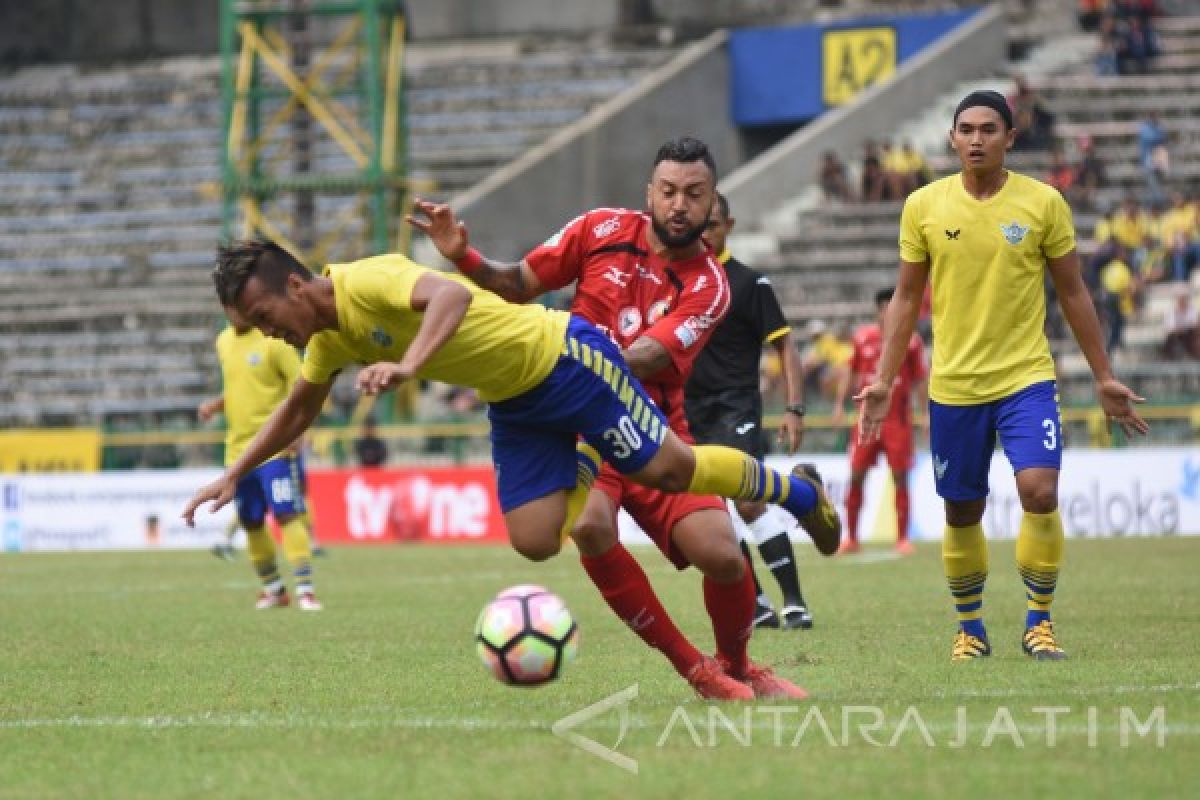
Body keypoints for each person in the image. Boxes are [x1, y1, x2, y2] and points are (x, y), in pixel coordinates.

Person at [182, 238, 840, 695]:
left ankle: (795, 492)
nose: (268, 334)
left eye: (265, 318)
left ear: (296, 285)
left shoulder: (368, 279)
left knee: (671, 469)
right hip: (516, 406)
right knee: (533, 541)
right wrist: (235, 472)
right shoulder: (325, 339)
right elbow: (299, 407)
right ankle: (592, 468)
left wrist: (409, 366)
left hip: (564, 360)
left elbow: (451, 300)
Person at [408, 137, 836, 699]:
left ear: (712, 205)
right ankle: (697, 671)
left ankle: (737, 664)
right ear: (649, 194)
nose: (679, 204)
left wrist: (569, 360)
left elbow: (648, 358)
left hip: (652, 422)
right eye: (668, 192)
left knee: (723, 557)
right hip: (581, 418)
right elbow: (517, 285)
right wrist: (462, 255)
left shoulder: (710, 285)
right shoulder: (600, 230)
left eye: (694, 194)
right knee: (586, 527)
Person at [855, 90, 1148, 662]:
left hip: (1025, 379)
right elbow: (907, 295)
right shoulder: (923, 206)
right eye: (966, 129)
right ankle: (970, 629)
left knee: (1039, 492)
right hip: (955, 387)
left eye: (989, 129)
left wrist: (1104, 374)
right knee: (962, 510)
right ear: (951, 138)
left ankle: (1039, 621)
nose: (976, 139)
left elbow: (1072, 291)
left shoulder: (1043, 204)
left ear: (1010, 138)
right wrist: (884, 379)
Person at [683, 192, 813, 630]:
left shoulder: (748, 283)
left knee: (749, 502)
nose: (705, 236)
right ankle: (756, 603)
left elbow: (785, 345)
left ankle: (795, 601)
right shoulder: (674, 281)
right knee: (711, 514)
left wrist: (794, 408)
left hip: (735, 405)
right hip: (685, 412)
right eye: (699, 227)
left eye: (713, 226)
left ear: (729, 226)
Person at [197, 305, 322, 611]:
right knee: (251, 521)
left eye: (235, 304)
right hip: (237, 453)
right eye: (226, 305)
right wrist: (217, 405)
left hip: (275, 448)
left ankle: (305, 589)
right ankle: (274, 589)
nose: (231, 312)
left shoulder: (274, 341)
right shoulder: (223, 341)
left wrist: (297, 432)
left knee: (286, 513)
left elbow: (302, 385)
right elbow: (243, 387)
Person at [833, 287, 927, 556]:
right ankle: (851, 537)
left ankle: (902, 538)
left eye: (895, 307)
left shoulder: (911, 341)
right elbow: (849, 374)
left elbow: (920, 379)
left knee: (900, 477)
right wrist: (839, 407)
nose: (891, 312)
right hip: (866, 421)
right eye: (886, 307)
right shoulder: (863, 338)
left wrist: (925, 413)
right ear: (879, 310)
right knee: (856, 475)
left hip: (897, 420)